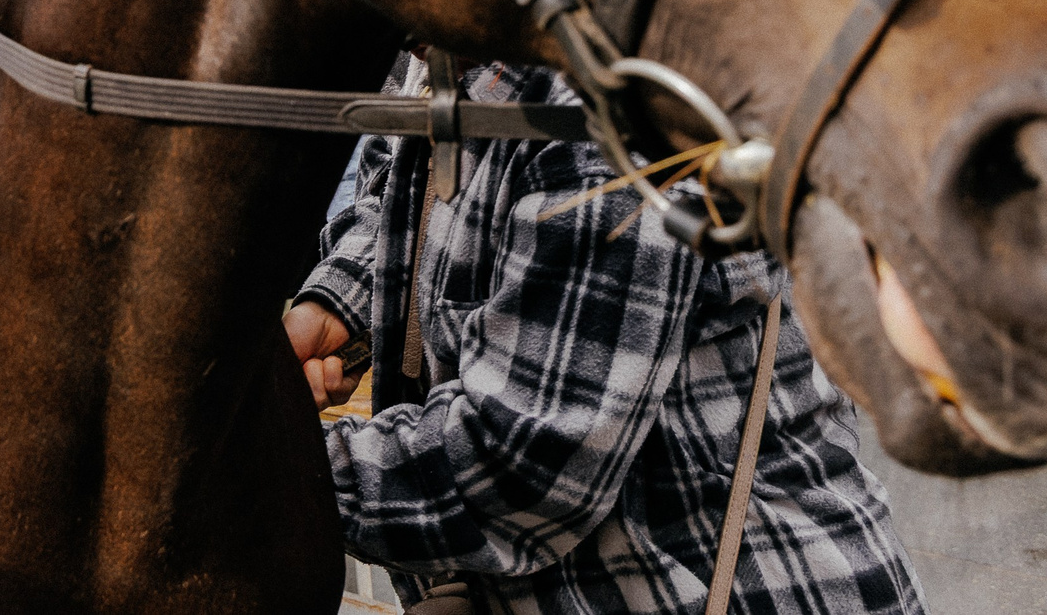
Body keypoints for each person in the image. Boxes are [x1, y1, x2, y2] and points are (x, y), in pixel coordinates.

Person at [287, 57, 923, 615]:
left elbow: (518, 471)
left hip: (738, 588)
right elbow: (395, 185)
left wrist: (272, 461)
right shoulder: (439, 49)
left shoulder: (603, 112)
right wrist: (337, 306)